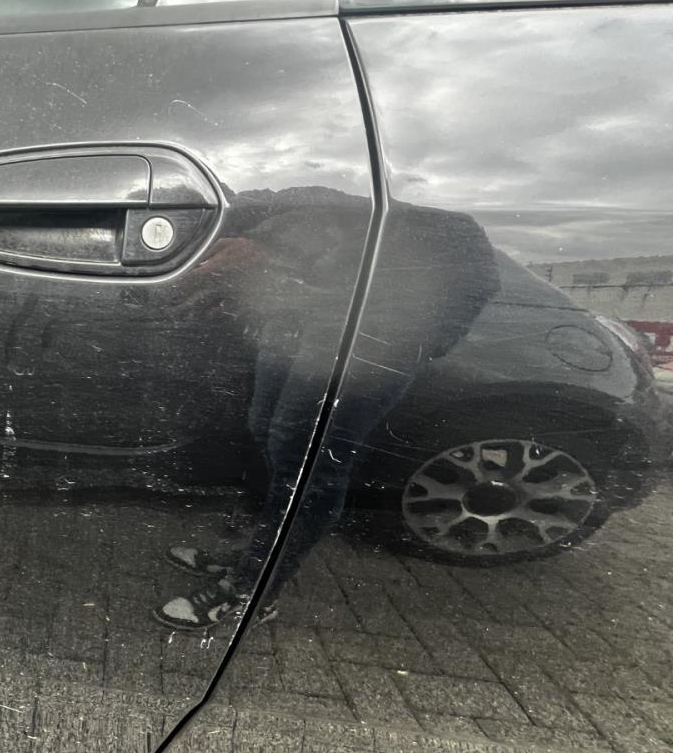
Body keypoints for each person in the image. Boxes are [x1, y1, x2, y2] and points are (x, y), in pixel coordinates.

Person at [153, 195, 500, 630]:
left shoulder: (436, 204)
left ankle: (253, 590)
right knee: (272, 436)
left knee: (308, 468)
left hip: (366, 337)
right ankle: (255, 557)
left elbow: (472, 275)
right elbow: (306, 207)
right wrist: (257, 246)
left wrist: (405, 341)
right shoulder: (339, 188)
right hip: (301, 320)